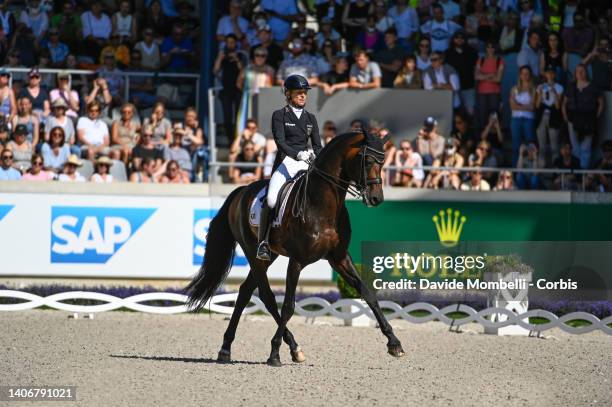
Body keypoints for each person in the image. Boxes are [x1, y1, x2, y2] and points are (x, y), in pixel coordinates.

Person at [257, 74, 323, 260]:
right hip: (286, 162)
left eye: (305, 93)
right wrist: (298, 154)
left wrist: (317, 156)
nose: (303, 96)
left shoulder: (311, 118)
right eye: (299, 92)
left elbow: (317, 145)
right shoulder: (279, 115)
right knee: (270, 199)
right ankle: (263, 242)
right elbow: (280, 142)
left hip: (306, 163)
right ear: (288, 94)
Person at [562, 64, 604, 169]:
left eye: (582, 71)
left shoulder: (593, 87)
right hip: (573, 117)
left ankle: (583, 172)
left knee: (586, 146)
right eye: (577, 71)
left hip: (589, 118)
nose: (580, 73)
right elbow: (564, 103)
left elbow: (601, 103)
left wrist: (596, 117)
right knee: (574, 146)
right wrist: (565, 116)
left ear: (586, 72)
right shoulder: (571, 86)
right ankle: (577, 170)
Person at [535, 64, 563, 166]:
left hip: (553, 116)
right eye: (548, 73)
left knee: (554, 145)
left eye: (552, 73)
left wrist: (554, 92)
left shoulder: (559, 87)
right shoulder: (540, 87)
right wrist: (541, 93)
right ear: (545, 74)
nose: (550, 75)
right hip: (542, 116)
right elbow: (537, 105)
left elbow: (558, 106)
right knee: (541, 145)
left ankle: (555, 168)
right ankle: (541, 167)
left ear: (555, 74)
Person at [445, 31, 478, 114]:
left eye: (462, 38)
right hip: (453, 88)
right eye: (457, 38)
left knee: (470, 111)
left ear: (465, 39)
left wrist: (476, 83)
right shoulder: (447, 53)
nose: (459, 40)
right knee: (454, 112)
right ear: (453, 39)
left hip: (469, 86)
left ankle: (470, 127)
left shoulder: (472, 52)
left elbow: (476, 69)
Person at [510, 65, 536, 166]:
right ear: (520, 75)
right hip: (516, 119)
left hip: (529, 120)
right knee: (516, 145)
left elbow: (533, 107)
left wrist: (519, 105)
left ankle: (530, 169)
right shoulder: (514, 89)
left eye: (527, 74)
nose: (525, 76)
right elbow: (512, 106)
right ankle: (515, 170)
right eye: (523, 74)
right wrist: (526, 106)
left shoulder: (533, 89)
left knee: (530, 145)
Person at [475, 41, 504, 131]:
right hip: (482, 92)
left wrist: (483, 76)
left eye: (492, 47)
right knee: (482, 116)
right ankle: (482, 138)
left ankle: (495, 137)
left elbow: (498, 79)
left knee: (495, 116)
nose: (490, 49)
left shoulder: (499, 61)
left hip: (494, 92)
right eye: (488, 47)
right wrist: (491, 75)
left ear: (495, 48)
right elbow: (476, 76)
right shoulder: (481, 60)